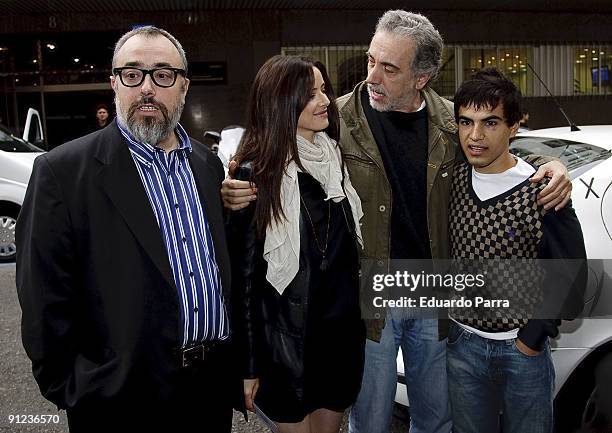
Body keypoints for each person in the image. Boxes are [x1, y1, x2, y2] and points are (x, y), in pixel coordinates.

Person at [221, 10, 572, 433]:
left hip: (435, 291)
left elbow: (494, 152)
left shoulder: (451, 122)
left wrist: (547, 165)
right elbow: (278, 142)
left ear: (421, 78)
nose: (373, 75)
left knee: (435, 419)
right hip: (371, 293)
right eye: (371, 60)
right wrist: (234, 183)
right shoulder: (336, 118)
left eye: (389, 68)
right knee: (368, 418)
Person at [16, 26, 238, 432]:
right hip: (118, 402)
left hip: (208, 392)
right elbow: (42, 294)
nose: (147, 88)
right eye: (133, 74)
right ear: (114, 83)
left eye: (163, 74)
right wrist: (75, 386)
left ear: (184, 87)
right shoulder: (63, 172)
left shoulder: (206, 167)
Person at [228, 54, 365, 433]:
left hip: (337, 345)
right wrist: (249, 365)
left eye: (324, 90)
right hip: (286, 350)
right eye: (310, 93)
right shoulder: (254, 174)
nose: (324, 101)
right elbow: (244, 282)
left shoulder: (334, 159)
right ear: (281, 101)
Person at [446, 67, 587, 433]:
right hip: (462, 346)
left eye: (490, 123)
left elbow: (571, 277)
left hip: (521, 354)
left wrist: (532, 338)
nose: (474, 136)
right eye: (465, 122)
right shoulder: (453, 179)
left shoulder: (541, 190)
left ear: (513, 127)